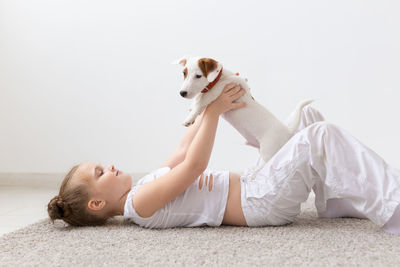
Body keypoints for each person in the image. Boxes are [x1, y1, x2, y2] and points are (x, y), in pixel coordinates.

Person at [47, 83, 400, 234]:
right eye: (100, 171)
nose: (109, 166)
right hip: (261, 202)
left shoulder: (141, 188)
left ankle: (333, 201)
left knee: (309, 118)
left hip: (254, 185)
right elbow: (194, 166)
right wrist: (214, 113)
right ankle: (394, 209)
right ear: (97, 202)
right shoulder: (139, 204)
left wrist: (206, 99)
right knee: (321, 137)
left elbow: (183, 151)